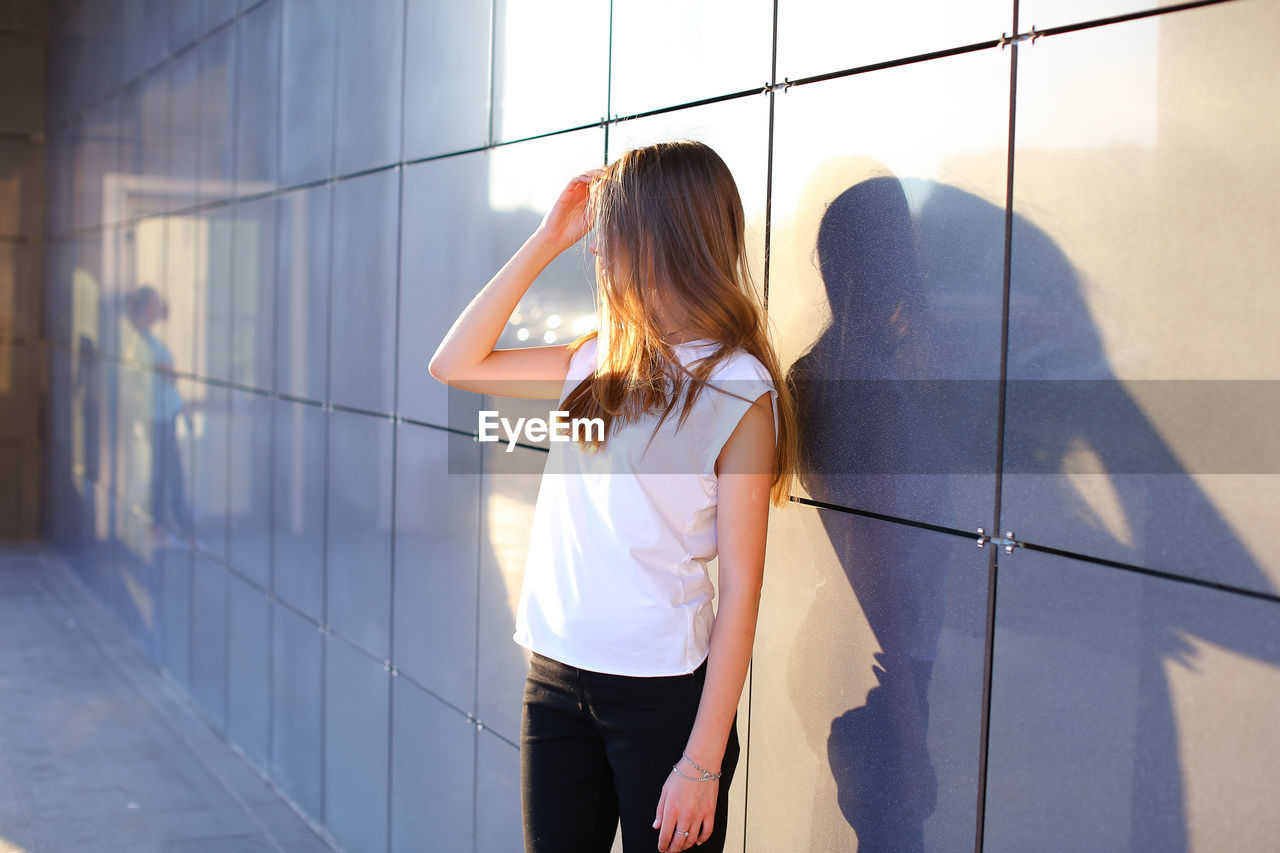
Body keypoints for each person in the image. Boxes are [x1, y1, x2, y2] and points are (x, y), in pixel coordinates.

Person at [429, 140, 797, 853]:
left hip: (660, 697)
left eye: (612, 229)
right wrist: (544, 238)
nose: (595, 248)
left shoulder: (739, 387)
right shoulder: (596, 359)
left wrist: (702, 761)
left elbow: (743, 589)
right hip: (555, 679)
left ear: (665, 237)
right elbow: (455, 362)